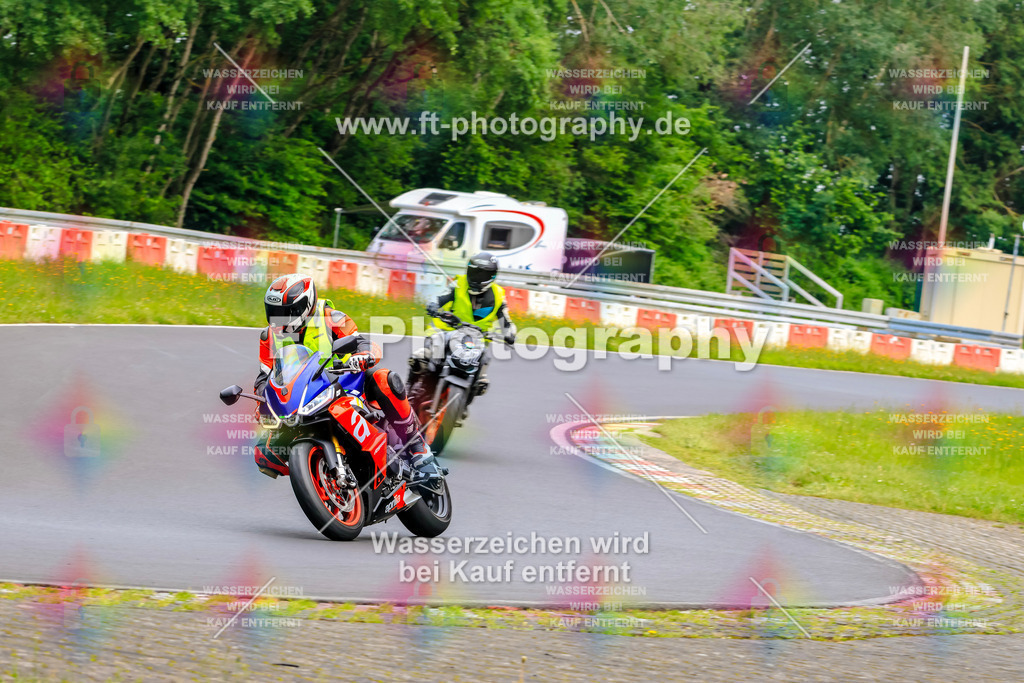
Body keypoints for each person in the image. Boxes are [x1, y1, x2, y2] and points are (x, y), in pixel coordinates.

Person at [253, 273, 439, 482]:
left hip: (344, 382)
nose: (278, 319)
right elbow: (264, 376)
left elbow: (362, 343)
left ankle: (417, 446)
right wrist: (263, 399)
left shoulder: (331, 317)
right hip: (301, 397)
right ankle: (319, 474)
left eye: (285, 312)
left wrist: (363, 356)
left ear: (303, 307)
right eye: (274, 312)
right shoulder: (268, 336)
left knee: (385, 379)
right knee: (264, 451)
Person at [408, 252, 517, 401]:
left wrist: (510, 333)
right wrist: (434, 305)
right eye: (473, 271)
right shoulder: (459, 283)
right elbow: (441, 296)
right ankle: (406, 393)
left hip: (477, 340)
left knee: (482, 379)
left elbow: (506, 320)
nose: (475, 276)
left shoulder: (498, 295)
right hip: (448, 331)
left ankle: (463, 405)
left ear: (491, 276)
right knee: (420, 357)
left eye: (481, 274)